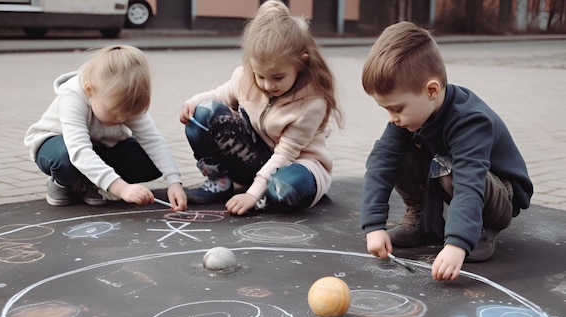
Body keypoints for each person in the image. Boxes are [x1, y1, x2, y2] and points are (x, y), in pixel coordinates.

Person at [359, 21, 533, 281]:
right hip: (450, 171)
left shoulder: (470, 120)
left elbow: (469, 182)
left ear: (431, 90)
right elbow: (380, 164)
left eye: (396, 108)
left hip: (499, 193)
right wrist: (374, 225)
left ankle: (481, 229)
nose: (392, 118)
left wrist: (457, 243)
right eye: (386, 110)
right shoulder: (408, 118)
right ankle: (421, 219)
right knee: (396, 155)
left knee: (449, 170)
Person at [179, 0, 343, 215]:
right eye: (260, 76)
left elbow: (285, 154)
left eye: (277, 77)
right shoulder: (246, 78)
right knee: (202, 114)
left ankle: (265, 193)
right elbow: (218, 96)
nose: (267, 85)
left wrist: (253, 193)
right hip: (256, 158)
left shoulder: (312, 103)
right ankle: (219, 182)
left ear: (300, 63)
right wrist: (191, 102)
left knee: (285, 191)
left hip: (296, 164)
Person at [25, 45, 187, 211]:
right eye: (114, 114)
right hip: (57, 146)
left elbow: (153, 140)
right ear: (89, 91)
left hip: (101, 148)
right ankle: (63, 183)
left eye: (126, 116)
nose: (121, 120)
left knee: (152, 163)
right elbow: (80, 151)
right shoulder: (72, 97)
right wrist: (122, 188)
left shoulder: (128, 98)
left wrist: (174, 182)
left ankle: (91, 183)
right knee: (65, 160)